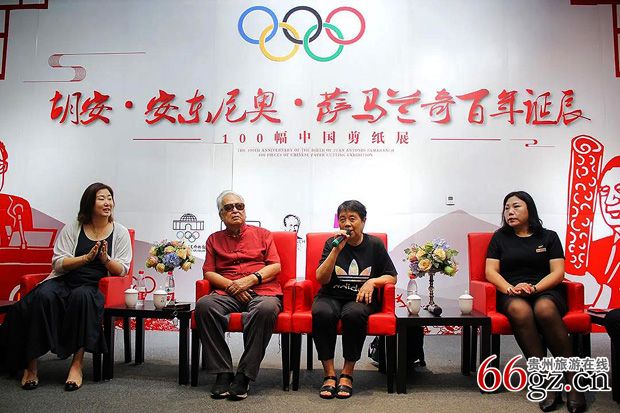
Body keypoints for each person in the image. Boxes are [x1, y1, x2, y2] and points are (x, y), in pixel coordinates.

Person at [0, 182, 132, 391]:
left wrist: (105, 259)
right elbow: (58, 263)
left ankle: (76, 365)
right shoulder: (74, 227)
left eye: (109, 198)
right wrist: (85, 258)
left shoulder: (120, 232)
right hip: (65, 279)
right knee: (42, 296)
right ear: (89, 203)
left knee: (82, 298)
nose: (107, 203)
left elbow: (122, 270)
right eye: (101, 198)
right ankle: (31, 365)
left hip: (93, 286)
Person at [486, 191, 586, 413]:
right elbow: (490, 271)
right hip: (512, 292)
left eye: (516, 206)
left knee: (544, 308)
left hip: (545, 290)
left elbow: (558, 272)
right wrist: (511, 289)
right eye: (506, 208)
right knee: (519, 310)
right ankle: (546, 379)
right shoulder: (499, 238)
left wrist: (534, 288)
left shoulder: (549, 237)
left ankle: (573, 380)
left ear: (529, 209)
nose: (510, 212)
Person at [194, 190, 282, 401]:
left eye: (239, 206)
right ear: (221, 214)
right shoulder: (214, 239)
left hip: (262, 290)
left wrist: (249, 280)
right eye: (229, 208)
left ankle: (244, 375)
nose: (235, 210)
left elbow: (275, 266)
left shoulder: (263, 234)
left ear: (245, 210)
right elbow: (208, 272)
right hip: (228, 292)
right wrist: (233, 286)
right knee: (205, 305)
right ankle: (223, 372)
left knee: (266, 309)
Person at [312, 200, 397, 399]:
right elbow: (321, 278)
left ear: (363, 221)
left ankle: (347, 373)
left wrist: (373, 282)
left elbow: (392, 276)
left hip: (359, 298)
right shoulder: (332, 243)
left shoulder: (374, 244)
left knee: (354, 314)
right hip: (330, 295)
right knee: (322, 312)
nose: (347, 224)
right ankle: (329, 374)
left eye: (352, 218)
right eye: (342, 219)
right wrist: (336, 250)